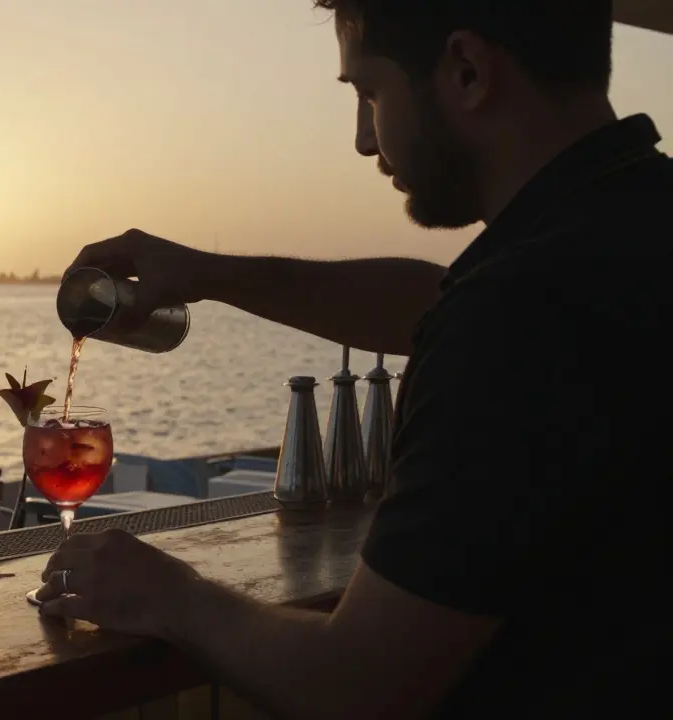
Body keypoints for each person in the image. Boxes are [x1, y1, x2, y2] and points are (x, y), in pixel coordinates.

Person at [36, 2, 670, 719]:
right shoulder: (623, 230)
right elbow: (437, 304)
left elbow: (360, 686)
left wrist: (173, 597)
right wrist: (211, 274)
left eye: (369, 92)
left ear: (466, 70)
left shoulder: (520, 313)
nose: (366, 140)